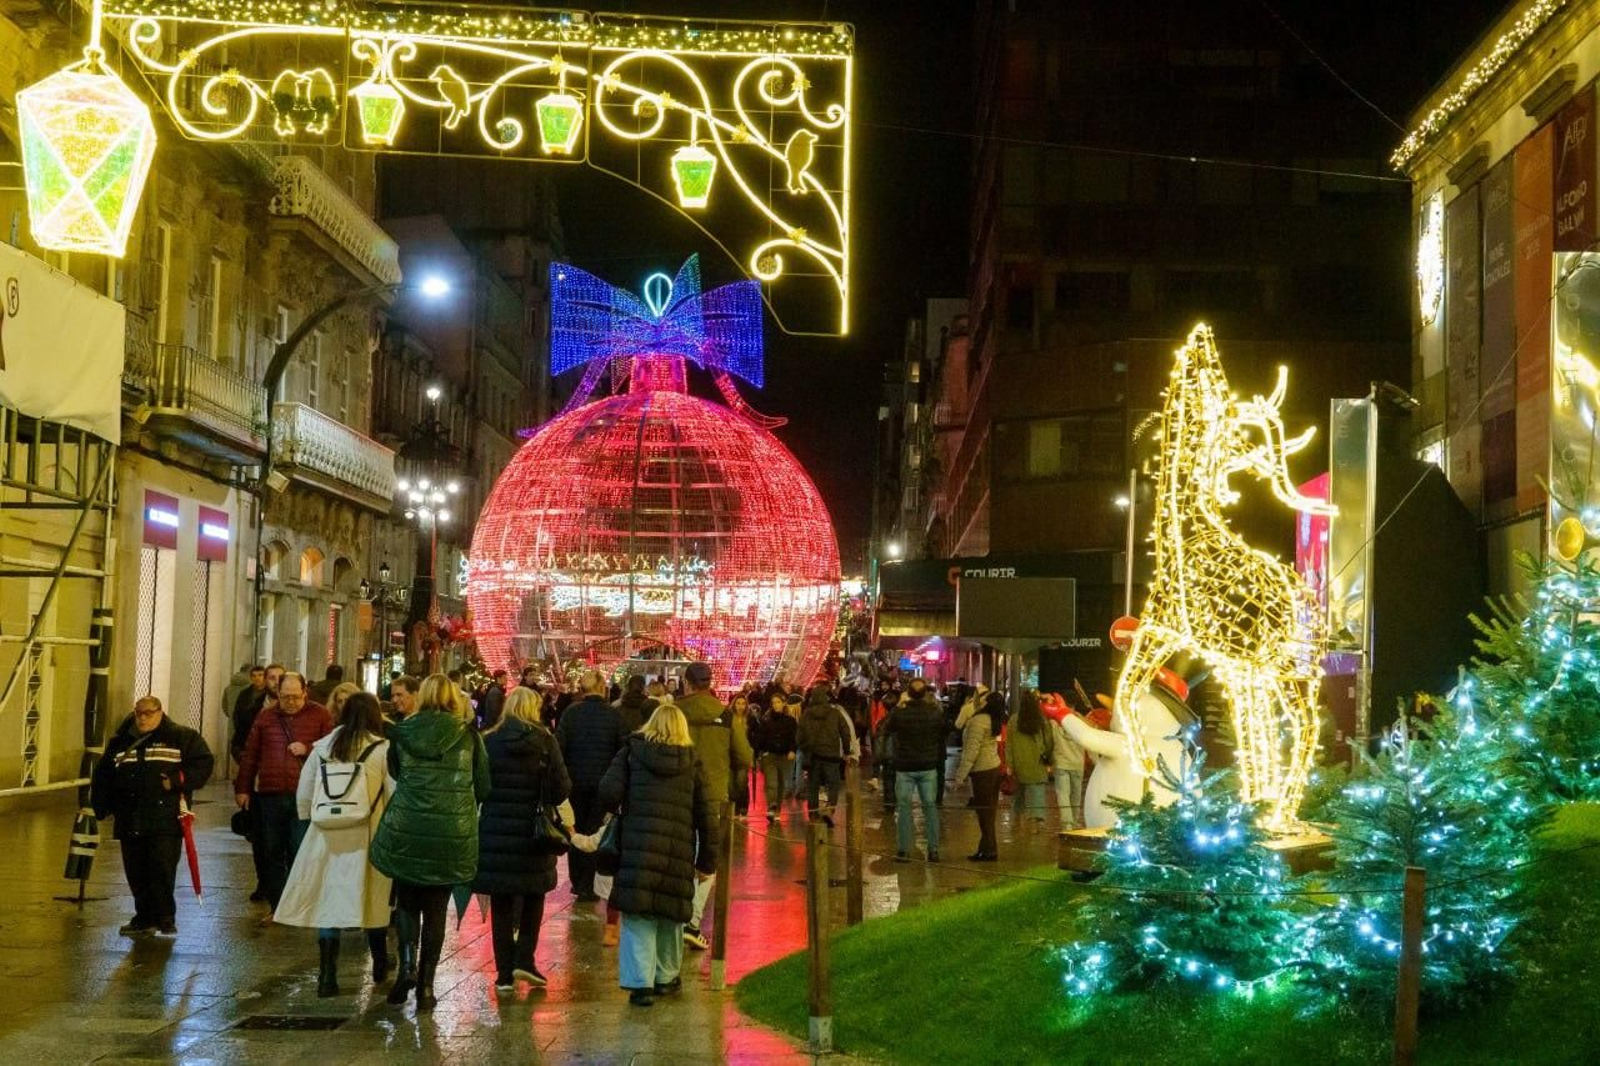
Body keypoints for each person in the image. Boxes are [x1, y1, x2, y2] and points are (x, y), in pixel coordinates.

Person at [370, 674, 490, 1012]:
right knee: (436, 910)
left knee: (407, 901)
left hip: (408, 825)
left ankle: (406, 968)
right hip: (451, 831)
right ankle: (426, 987)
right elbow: (483, 785)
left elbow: (395, 772)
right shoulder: (468, 735)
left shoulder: (403, 732)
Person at [597, 702, 717, 1007]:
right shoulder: (693, 762)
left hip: (638, 845)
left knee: (638, 916)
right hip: (677, 849)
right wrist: (707, 862)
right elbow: (707, 816)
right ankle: (666, 977)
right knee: (670, 915)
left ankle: (641, 984)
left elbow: (607, 793)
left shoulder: (631, 753)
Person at [275, 692, 394, 997]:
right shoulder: (382, 749)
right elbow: (393, 793)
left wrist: (309, 826)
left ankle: (327, 976)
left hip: (326, 835)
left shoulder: (323, 747)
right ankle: (380, 962)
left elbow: (304, 794)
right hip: (369, 834)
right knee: (374, 898)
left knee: (329, 902)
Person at [474, 687, 570, 992]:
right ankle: (525, 959)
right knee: (533, 894)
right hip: (533, 832)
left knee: (501, 900)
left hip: (496, 830)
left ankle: (503, 973)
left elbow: (478, 785)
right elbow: (561, 788)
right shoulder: (545, 741)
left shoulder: (488, 740)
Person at [91, 696, 213, 936]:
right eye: (139, 713)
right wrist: (102, 806)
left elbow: (203, 763)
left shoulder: (181, 737)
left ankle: (165, 917)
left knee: (162, 869)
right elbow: (104, 775)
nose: (143, 718)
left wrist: (176, 781)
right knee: (136, 870)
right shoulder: (121, 742)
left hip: (165, 819)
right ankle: (144, 918)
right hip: (130, 817)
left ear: (160, 712)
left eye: (148, 713)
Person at [235, 672, 333, 921]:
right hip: (270, 794)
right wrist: (243, 788)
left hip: (305, 796)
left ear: (305, 693)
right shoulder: (266, 716)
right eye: (285, 697)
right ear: (278, 694)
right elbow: (251, 753)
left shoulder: (321, 714)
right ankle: (278, 907)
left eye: (295, 697)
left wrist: (308, 748)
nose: (290, 702)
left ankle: (301, 905)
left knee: (300, 850)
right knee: (272, 851)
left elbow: (332, 749)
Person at [676, 660, 751, 950]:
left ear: (687, 683)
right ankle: (693, 922)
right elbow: (744, 757)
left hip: (679, 792)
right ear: (710, 683)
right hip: (714, 794)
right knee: (709, 858)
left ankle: (677, 918)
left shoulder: (675, 712)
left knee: (679, 855)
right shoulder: (725, 715)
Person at [556, 670, 624, 904]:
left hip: (575, 783)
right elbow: (621, 750)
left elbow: (559, 747)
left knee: (575, 829)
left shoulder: (570, 713)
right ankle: (591, 881)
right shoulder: (613, 715)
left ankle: (578, 882)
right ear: (602, 688)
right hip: (602, 784)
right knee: (596, 832)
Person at [880, 677, 944, 862]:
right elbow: (944, 730)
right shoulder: (934, 712)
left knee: (904, 808)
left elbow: (886, 728)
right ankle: (933, 850)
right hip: (928, 766)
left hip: (905, 766)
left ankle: (903, 850)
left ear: (908, 693)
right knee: (930, 807)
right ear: (925, 694)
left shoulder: (899, 713)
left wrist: (899, 706)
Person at [952, 690, 1006, 861]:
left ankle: (989, 851)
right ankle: (986, 848)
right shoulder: (994, 719)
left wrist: (960, 775)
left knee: (985, 814)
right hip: (993, 767)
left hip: (983, 771)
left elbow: (971, 750)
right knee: (988, 813)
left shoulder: (979, 721)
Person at [797, 682, 851, 826]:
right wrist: (846, 751)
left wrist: (805, 748)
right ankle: (829, 809)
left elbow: (799, 736)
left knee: (813, 786)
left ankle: (813, 814)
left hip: (813, 755)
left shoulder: (806, 714)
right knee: (833, 784)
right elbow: (845, 732)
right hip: (831, 754)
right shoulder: (835, 713)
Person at [1007, 691, 1053, 832]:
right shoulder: (1041, 720)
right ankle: (1034, 824)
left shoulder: (1013, 720)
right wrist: (1048, 759)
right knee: (1037, 793)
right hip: (1036, 762)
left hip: (1019, 763)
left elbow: (1009, 744)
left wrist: (1009, 764)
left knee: (1019, 793)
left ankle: (1016, 821)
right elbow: (1048, 742)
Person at [752, 693, 798, 825]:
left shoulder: (790, 721)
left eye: (778, 702)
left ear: (783, 703)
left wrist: (792, 750)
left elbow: (795, 737)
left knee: (782, 784)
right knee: (771, 782)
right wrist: (760, 753)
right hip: (770, 755)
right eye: (774, 703)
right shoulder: (766, 720)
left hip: (785, 755)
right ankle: (771, 806)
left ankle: (777, 810)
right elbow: (760, 737)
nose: (776, 705)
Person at [1051, 703, 1088, 830]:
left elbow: (1049, 742)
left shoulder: (1054, 723)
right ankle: (1075, 821)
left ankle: (1067, 823)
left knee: (1063, 794)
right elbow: (1089, 741)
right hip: (1078, 763)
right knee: (1076, 794)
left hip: (1061, 763)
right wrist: (1096, 761)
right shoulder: (1082, 722)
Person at [727, 693, 753, 817]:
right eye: (738, 703)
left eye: (743, 704)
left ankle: (742, 806)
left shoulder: (750, 720)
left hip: (744, 755)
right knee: (731, 785)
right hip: (730, 755)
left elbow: (754, 737)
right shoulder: (728, 719)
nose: (740, 706)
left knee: (741, 782)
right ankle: (735, 808)